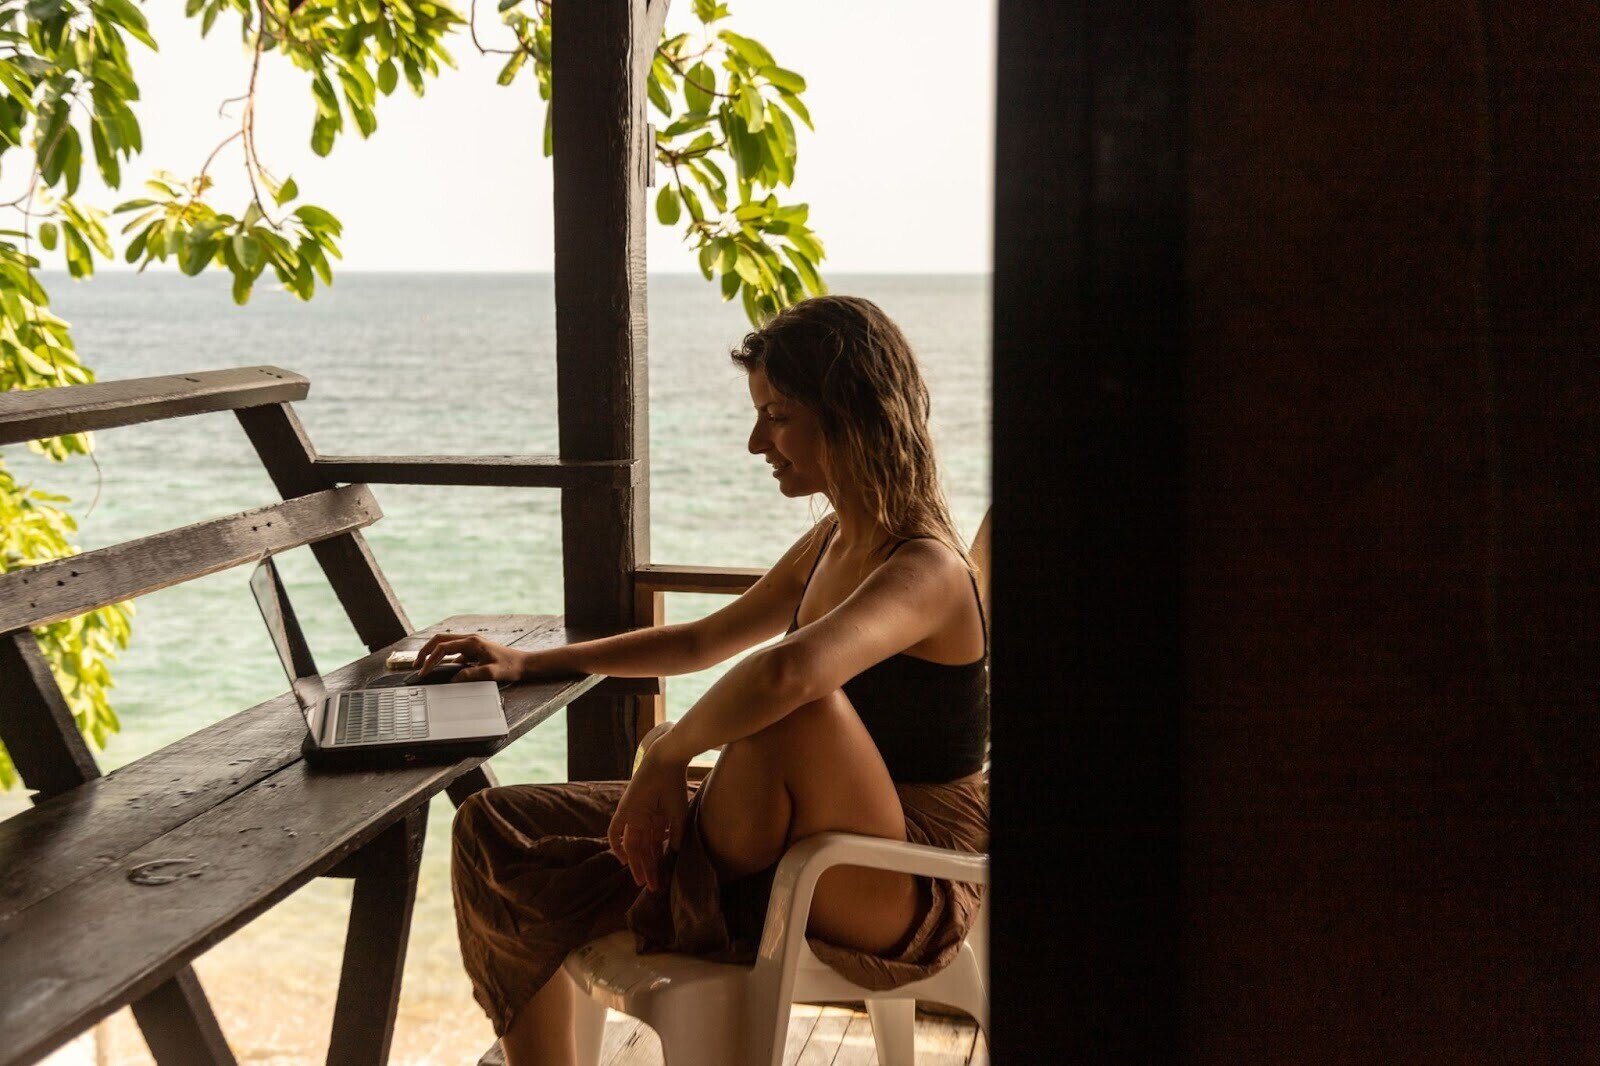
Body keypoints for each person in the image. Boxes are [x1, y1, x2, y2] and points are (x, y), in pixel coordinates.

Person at [421, 294, 989, 1066]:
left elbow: (788, 673)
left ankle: (650, 884)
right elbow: (701, 640)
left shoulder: (928, 569)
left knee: (794, 705)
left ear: (853, 415)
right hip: (793, 834)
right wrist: (532, 661)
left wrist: (667, 753)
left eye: (778, 417)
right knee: (495, 825)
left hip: (900, 879)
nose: (757, 442)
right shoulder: (830, 541)